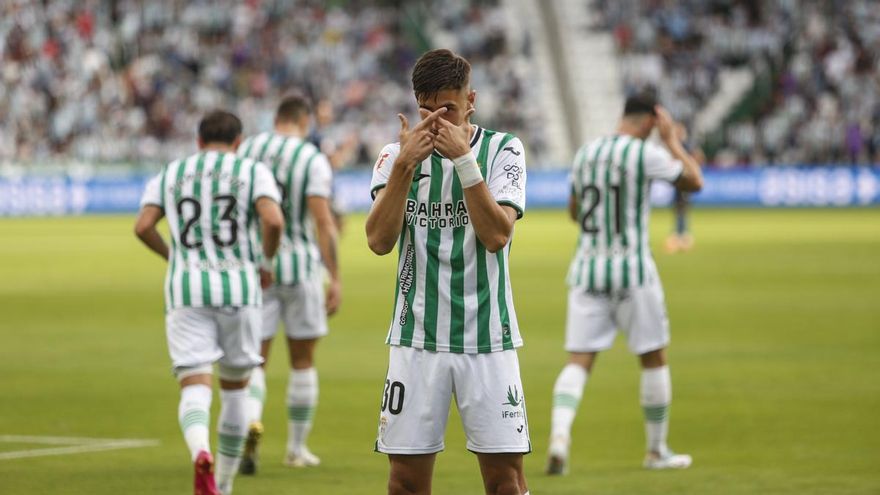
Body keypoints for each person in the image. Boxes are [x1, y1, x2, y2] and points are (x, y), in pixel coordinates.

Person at [365, 49, 532, 495]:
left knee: (505, 483)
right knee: (404, 483)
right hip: (416, 339)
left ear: (471, 100)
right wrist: (404, 166)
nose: (437, 123)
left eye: (449, 111)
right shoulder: (394, 156)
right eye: (426, 111)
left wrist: (464, 161)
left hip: (488, 340)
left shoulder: (503, 149)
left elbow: (497, 236)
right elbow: (379, 241)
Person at [545, 94, 703, 474]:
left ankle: (560, 437)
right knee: (653, 357)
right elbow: (695, 181)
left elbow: (574, 210)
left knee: (579, 361)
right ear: (652, 119)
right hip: (633, 270)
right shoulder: (644, 153)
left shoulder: (586, 153)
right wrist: (671, 141)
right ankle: (656, 451)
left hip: (586, 270)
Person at [134, 110, 284, 494]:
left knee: (194, 384)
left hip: (186, 291)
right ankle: (226, 484)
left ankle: (200, 451)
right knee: (235, 389)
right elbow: (273, 220)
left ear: (198, 141)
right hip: (239, 288)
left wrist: (174, 257)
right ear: (238, 142)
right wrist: (265, 262)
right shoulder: (252, 171)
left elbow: (143, 226)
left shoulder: (172, 172)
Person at [236, 94, 342, 472]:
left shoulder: (248, 148)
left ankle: (250, 422)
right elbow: (323, 221)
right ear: (304, 122)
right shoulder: (311, 158)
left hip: (256, 268)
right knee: (302, 360)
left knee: (256, 359)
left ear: (276, 118)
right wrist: (335, 275)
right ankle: (296, 449)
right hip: (300, 268)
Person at [664, 123, 704, 253]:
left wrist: (692, 168)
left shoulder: (685, 146)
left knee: (682, 209)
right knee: (679, 209)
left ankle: (682, 236)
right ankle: (680, 235)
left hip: (684, 180)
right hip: (678, 181)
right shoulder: (679, 146)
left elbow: (698, 156)